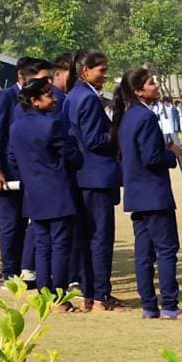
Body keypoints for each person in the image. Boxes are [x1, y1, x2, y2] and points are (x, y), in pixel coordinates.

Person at [115, 69, 182, 319]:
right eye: (151, 83)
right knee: (167, 250)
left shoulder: (127, 117)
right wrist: (172, 155)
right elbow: (151, 158)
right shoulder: (145, 118)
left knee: (143, 254)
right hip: (153, 194)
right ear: (138, 91)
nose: (156, 86)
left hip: (137, 195)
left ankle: (149, 306)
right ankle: (169, 305)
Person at [8, 77, 79, 307]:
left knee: (42, 245)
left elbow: (13, 159)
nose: (54, 98)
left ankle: (44, 293)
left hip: (33, 193)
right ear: (34, 101)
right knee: (59, 246)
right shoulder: (51, 124)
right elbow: (71, 156)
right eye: (48, 94)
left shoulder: (16, 127)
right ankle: (59, 298)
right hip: (57, 191)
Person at [67, 51, 124, 311]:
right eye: (101, 70)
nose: (105, 75)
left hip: (83, 177)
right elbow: (93, 140)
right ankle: (101, 295)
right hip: (96, 177)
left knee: (87, 238)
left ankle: (88, 293)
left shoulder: (74, 96)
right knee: (100, 238)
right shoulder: (88, 98)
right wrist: (118, 132)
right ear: (85, 71)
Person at [0, 56, 42, 280]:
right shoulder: (4, 97)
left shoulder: (32, 99)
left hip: (27, 171)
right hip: (6, 172)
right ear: (21, 76)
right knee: (11, 223)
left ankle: (23, 268)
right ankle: (10, 272)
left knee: (24, 222)